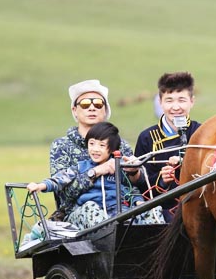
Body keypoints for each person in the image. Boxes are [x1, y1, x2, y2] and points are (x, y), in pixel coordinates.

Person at [36, 79, 140, 221]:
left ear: (105, 110)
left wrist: (135, 172)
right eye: (85, 104)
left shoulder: (121, 145)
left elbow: (132, 187)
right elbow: (65, 195)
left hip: (121, 210)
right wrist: (95, 172)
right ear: (75, 110)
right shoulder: (62, 146)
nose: (92, 108)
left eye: (98, 104)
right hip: (79, 213)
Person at [27, 122, 164, 229]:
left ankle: (155, 249)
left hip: (118, 211)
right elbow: (60, 180)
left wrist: (138, 202)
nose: (95, 149)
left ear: (112, 150)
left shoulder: (118, 168)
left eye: (101, 145)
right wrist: (41, 185)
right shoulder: (81, 167)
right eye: (91, 144)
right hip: (89, 214)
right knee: (90, 207)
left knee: (153, 209)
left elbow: (130, 189)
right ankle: (111, 237)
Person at [134, 72, 200, 217]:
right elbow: (138, 184)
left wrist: (187, 162)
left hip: (197, 210)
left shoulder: (202, 132)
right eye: (169, 100)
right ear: (160, 102)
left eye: (181, 100)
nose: (176, 107)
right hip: (161, 212)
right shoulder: (147, 138)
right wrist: (161, 180)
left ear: (192, 101)